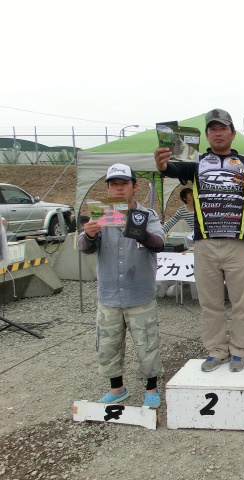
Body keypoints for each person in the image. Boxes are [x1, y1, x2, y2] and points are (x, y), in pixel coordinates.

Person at [154, 108, 244, 373]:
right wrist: (162, 163)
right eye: (213, 129)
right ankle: (216, 350)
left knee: (241, 302)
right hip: (204, 244)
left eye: (223, 128)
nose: (218, 133)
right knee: (210, 302)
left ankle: (239, 351)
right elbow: (172, 168)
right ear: (206, 135)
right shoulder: (198, 162)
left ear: (233, 134)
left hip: (238, 243)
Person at [77, 163, 165, 408]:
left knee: (147, 344)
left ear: (134, 187)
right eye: (113, 184)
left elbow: (159, 243)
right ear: (107, 187)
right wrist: (90, 233)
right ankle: (117, 388)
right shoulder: (99, 214)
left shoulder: (147, 215)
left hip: (140, 294)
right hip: (109, 295)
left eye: (123, 183)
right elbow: (84, 247)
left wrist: (138, 231)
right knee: (108, 344)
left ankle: (151, 389)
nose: (118, 188)